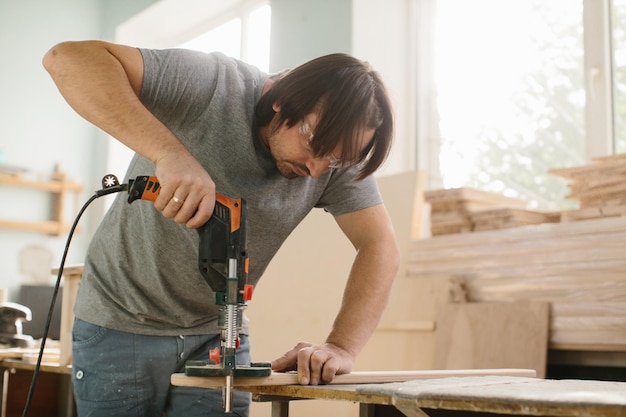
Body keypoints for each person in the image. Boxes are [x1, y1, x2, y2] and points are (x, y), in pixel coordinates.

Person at [43, 40, 399, 417]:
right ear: (283, 99)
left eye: (335, 160)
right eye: (314, 142)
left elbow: (380, 245)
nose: (315, 169)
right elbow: (66, 59)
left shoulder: (329, 159)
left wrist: (342, 347)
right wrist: (169, 154)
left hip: (221, 336)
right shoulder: (213, 85)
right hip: (119, 323)